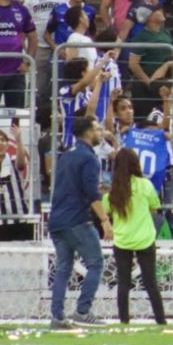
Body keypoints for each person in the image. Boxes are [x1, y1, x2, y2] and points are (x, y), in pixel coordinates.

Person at [48, 116, 113, 329]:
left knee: (63, 268)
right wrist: (105, 220)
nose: (101, 132)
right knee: (96, 263)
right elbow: (91, 194)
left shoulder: (66, 156)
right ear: (87, 132)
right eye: (97, 129)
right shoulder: (89, 158)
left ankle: (57, 317)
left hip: (57, 219)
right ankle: (82, 311)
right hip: (76, 219)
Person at [102, 148, 166, 325]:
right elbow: (154, 208)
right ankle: (160, 321)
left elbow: (106, 209)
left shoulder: (112, 191)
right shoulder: (145, 185)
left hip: (122, 240)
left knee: (123, 283)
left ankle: (124, 321)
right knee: (151, 282)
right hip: (145, 238)